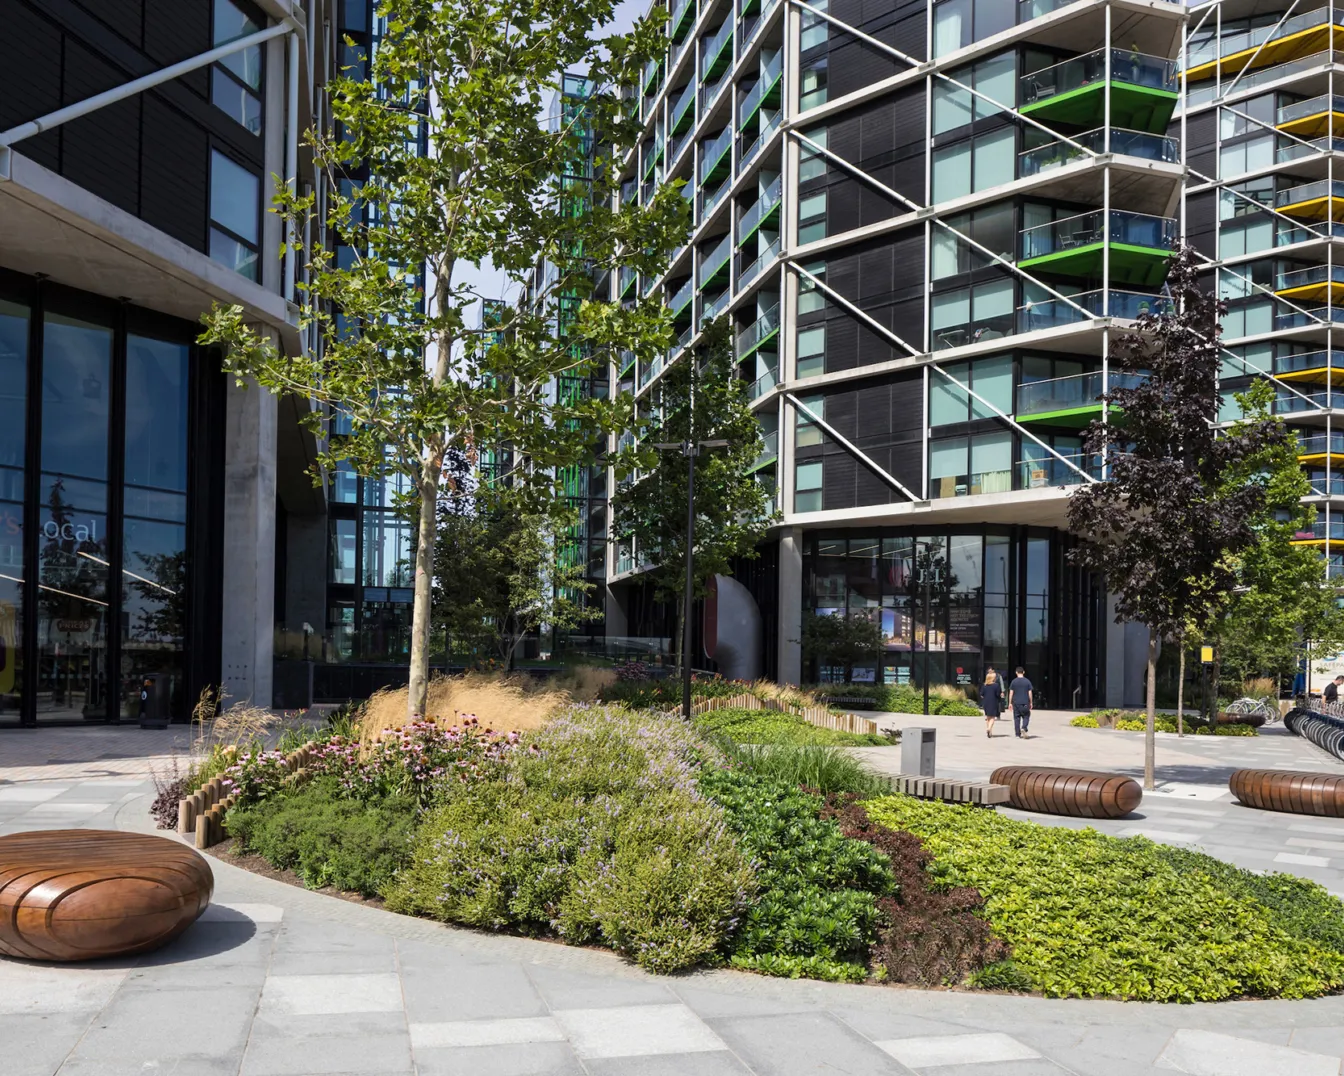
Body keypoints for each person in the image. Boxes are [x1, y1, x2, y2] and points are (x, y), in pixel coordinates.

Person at [1008, 666, 1033, 738]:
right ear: (1023, 672)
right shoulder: (1027, 681)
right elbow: (1030, 693)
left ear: (1016, 672)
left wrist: (1010, 703)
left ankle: (1017, 734)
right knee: (1026, 716)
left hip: (1016, 703)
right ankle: (1024, 727)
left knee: (1016, 718)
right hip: (1025, 702)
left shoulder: (1013, 682)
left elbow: (1011, 693)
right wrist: (1031, 702)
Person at [980, 669, 1003, 738]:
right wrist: (1000, 696)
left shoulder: (984, 686)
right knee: (992, 717)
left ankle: (990, 732)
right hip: (993, 702)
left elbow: (981, 694)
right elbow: (998, 694)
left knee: (988, 717)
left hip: (986, 702)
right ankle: (989, 729)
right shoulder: (996, 686)